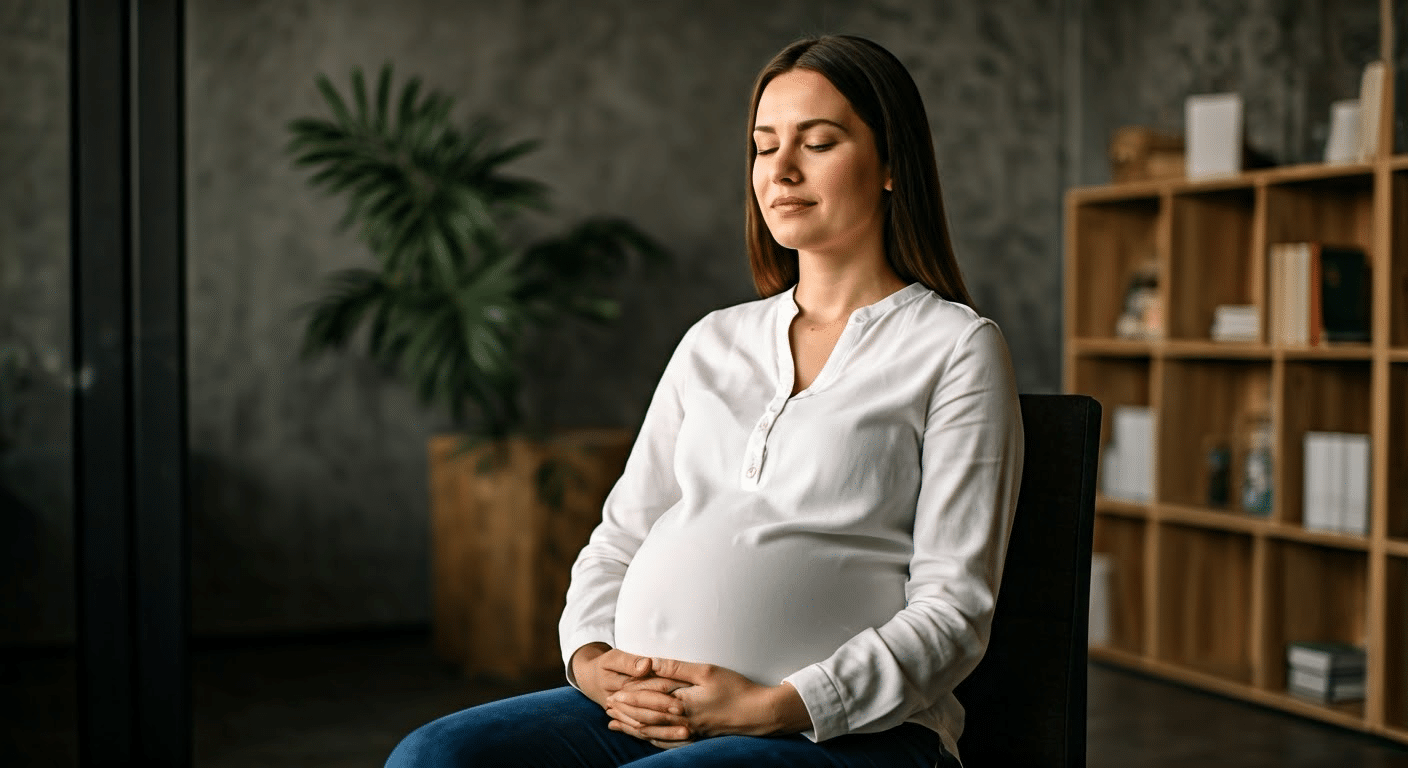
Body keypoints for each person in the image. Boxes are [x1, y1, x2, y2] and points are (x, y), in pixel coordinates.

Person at [386, 33, 1023, 768]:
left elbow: (954, 610)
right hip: (639, 712)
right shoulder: (714, 341)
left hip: (846, 734)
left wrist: (781, 705)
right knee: (433, 757)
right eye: (763, 146)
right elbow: (621, 534)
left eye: (818, 142)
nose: (780, 170)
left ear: (890, 166)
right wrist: (593, 661)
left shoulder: (954, 346)